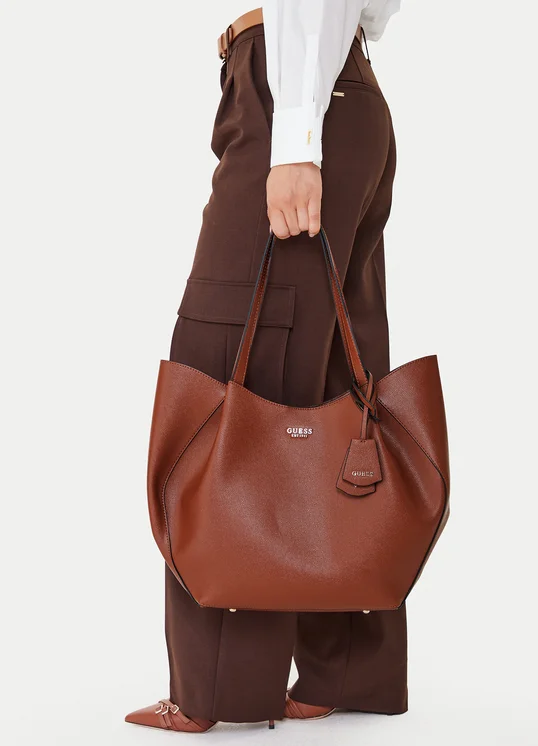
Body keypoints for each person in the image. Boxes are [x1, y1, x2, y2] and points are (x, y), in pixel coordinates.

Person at [125, 0, 406, 733]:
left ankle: (221, 686)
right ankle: (347, 668)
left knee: (226, 380)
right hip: (339, 86)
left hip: (295, 86)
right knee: (339, 388)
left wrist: (297, 137)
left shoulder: (296, 110)